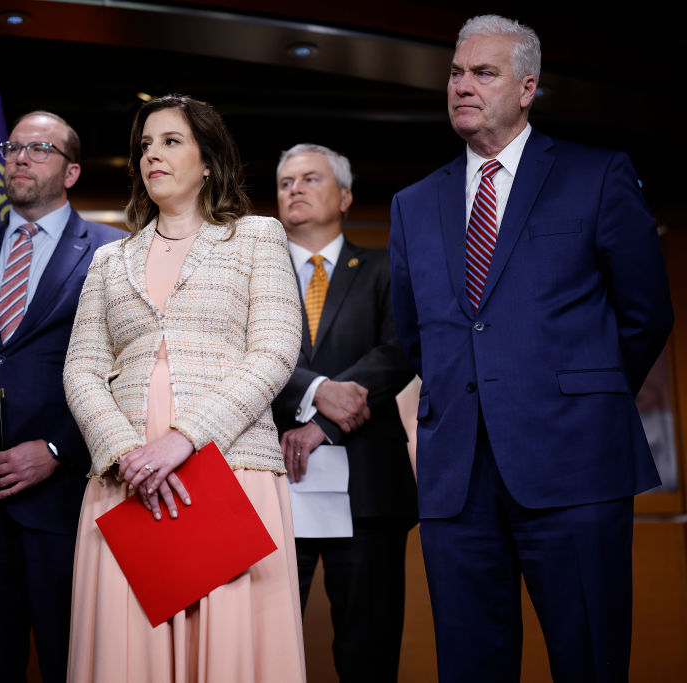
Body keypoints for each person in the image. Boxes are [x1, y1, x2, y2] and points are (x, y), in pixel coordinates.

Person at [389, 15, 673, 683]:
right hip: (457, 476)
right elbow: (415, 333)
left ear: (527, 88)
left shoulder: (596, 176)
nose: (463, 85)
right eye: (456, 73)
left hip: (576, 463)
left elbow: (646, 312)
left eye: (482, 73)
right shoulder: (412, 203)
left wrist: (580, 396)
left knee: (591, 660)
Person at [63, 94, 306, 682]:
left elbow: (274, 352)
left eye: (171, 141)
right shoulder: (108, 259)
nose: (153, 155)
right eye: (145, 144)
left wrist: (182, 439)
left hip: (226, 466)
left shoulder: (257, 237)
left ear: (207, 161)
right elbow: (81, 369)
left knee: (228, 651)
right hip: (128, 482)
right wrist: (126, 455)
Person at [0, 110, 124, 683]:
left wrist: (56, 449)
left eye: (39, 149)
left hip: (70, 500)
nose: (20, 157)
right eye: (13, 147)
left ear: (71, 172)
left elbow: (129, 370)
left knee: (70, 663)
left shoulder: (113, 252)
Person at [272, 143, 416, 682]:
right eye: (285, 182)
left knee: (369, 653)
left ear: (345, 196)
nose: (295, 189)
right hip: (271, 487)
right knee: (262, 651)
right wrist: (315, 390)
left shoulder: (383, 269)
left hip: (369, 492)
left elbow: (401, 349)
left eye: (310, 178)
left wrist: (324, 422)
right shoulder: (252, 278)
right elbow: (239, 358)